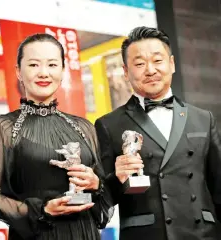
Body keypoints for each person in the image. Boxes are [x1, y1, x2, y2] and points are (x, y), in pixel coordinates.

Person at [0, 33, 113, 240]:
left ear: (62, 70)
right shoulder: (2, 127)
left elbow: (104, 195)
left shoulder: (84, 127)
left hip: (85, 233)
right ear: (18, 72)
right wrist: (43, 210)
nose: (43, 73)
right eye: (33, 65)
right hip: (37, 235)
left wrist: (96, 184)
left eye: (52, 65)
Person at [95, 26, 221, 240]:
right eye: (139, 64)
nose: (150, 70)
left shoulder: (203, 118)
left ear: (171, 64)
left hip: (204, 235)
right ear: (126, 72)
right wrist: (117, 179)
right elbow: (101, 204)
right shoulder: (108, 125)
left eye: (157, 60)